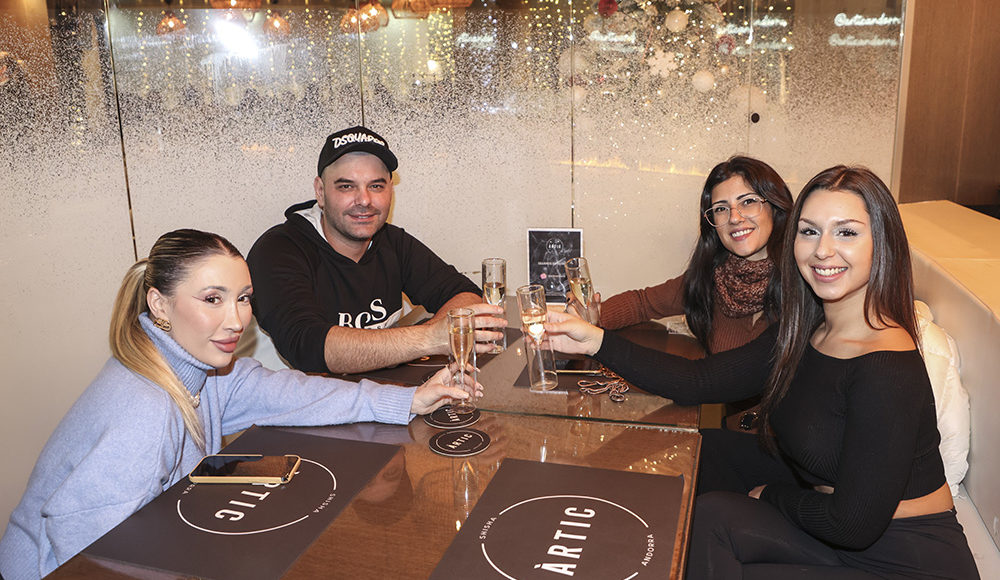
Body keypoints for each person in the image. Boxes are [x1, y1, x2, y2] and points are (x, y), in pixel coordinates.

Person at [545, 167, 979, 578]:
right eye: (810, 231)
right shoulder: (807, 328)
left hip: (902, 556)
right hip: (836, 524)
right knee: (704, 453)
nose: (823, 250)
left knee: (713, 530)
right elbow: (702, 381)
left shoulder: (886, 366)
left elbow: (853, 525)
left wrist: (770, 496)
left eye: (846, 232)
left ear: (882, 244)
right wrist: (597, 341)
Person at [0, 229, 476, 580]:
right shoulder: (145, 409)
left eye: (244, 298)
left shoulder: (206, 369)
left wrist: (408, 399)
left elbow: (299, 394)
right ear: (159, 305)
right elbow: (84, 548)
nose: (235, 321)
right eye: (213, 299)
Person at [247, 125, 503, 374]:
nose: (364, 200)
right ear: (321, 192)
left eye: (376, 186)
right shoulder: (277, 250)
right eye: (346, 186)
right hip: (296, 397)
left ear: (390, 190)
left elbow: (465, 295)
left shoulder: (392, 242)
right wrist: (429, 338)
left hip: (383, 393)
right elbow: (308, 347)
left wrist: (432, 335)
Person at [572, 155, 793, 430]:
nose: (735, 218)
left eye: (747, 201)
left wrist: (595, 340)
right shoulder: (713, 278)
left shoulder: (803, 287)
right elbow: (643, 302)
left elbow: (697, 382)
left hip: (786, 442)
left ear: (775, 207)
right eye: (721, 209)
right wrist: (591, 318)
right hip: (733, 432)